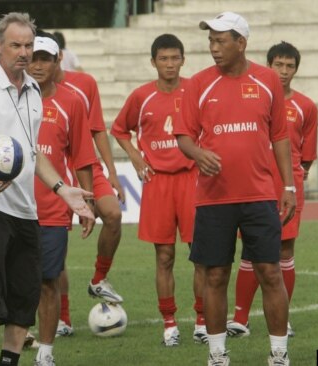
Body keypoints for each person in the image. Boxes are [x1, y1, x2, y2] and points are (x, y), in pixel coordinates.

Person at [0, 12, 94, 366]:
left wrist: (64, 190)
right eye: (15, 45)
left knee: (22, 304)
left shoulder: (33, 90)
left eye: (28, 45)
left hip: (26, 210)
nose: (23, 52)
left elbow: (33, 152)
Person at [174, 12, 296, 366]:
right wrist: (198, 153)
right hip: (214, 198)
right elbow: (183, 135)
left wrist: (287, 185)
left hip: (259, 196)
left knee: (270, 273)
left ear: (241, 43)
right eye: (210, 40)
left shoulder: (268, 79)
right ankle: (217, 355)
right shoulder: (198, 83)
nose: (213, 48)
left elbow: (279, 136)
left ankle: (278, 355)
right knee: (215, 275)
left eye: (220, 40)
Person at [111, 33, 206, 347]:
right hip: (158, 183)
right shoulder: (141, 97)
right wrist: (136, 156)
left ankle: (202, 321)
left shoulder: (196, 90)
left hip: (192, 179)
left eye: (174, 58)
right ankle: (169, 324)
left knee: (201, 255)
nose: (169, 64)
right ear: (153, 62)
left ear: (183, 59)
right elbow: (119, 129)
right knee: (164, 257)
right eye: (163, 59)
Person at [228, 41, 318, 339]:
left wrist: (291, 181)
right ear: (267, 66)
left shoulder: (306, 107)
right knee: (250, 249)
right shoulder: (252, 98)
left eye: (289, 66)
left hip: (287, 185)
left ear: (296, 70)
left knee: (284, 251)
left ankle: (283, 318)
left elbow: (306, 158)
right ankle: (240, 318)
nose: (283, 71)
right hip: (254, 182)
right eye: (278, 65)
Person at [28, 35, 97, 366]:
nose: (38, 65)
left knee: (48, 281)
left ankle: (45, 353)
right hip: (12, 207)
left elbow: (83, 157)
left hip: (53, 208)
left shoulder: (72, 103)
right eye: (33, 58)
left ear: (58, 63)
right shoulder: (10, 98)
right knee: (8, 280)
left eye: (45, 59)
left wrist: (85, 204)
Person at [53, 36, 125, 337]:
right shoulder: (28, 88)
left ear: (60, 57)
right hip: (54, 171)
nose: (39, 63)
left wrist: (111, 171)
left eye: (48, 57)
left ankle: (98, 278)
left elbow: (97, 130)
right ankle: (63, 319)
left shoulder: (84, 83)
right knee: (54, 250)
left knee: (113, 214)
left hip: (86, 165)